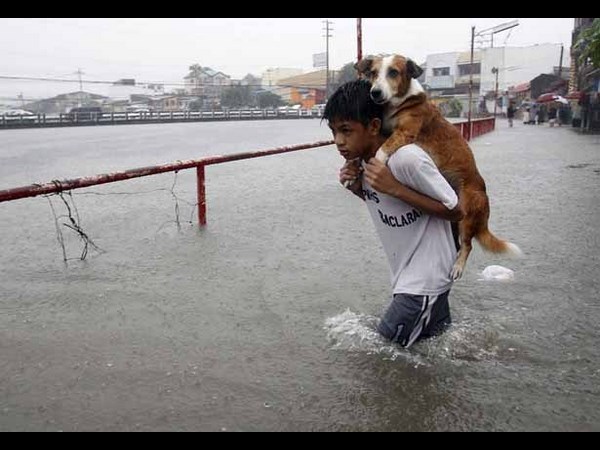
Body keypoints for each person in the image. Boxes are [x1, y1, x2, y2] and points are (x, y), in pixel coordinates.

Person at [323, 80, 463, 348]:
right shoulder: (366, 162)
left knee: (381, 363)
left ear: (374, 126)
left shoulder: (407, 158)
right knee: (432, 357)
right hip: (412, 280)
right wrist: (357, 188)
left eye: (346, 130)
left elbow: (456, 210)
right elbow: (389, 205)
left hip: (423, 283)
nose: (339, 141)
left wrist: (396, 188)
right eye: (334, 132)